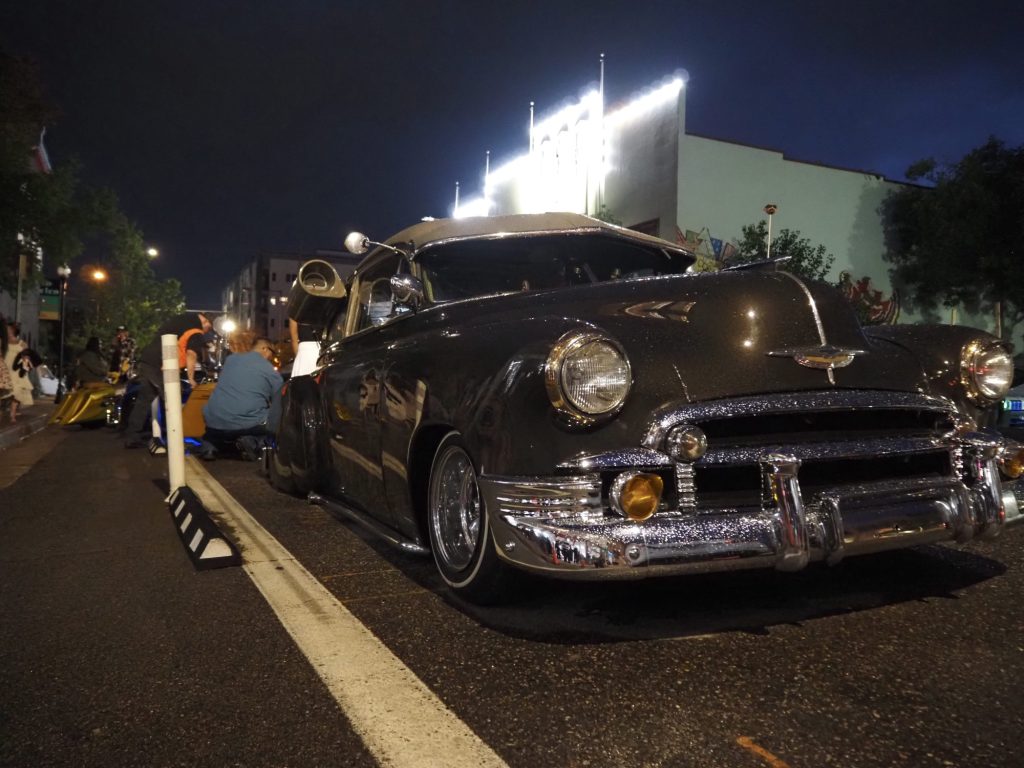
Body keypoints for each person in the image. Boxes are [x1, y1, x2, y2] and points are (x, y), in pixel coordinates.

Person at [124, 311, 213, 449]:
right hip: (161, 364)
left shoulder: (183, 320)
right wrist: (190, 378)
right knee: (173, 398)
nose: (206, 331)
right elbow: (191, 353)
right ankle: (176, 438)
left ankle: (132, 436)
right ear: (206, 322)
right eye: (208, 328)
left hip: (149, 360)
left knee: (145, 399)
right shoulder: (196, 331)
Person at [200, 336, 283, 459]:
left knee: (217, 431)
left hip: (213, 421)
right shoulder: (269, 370)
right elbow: (278, 401)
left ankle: (209, 446)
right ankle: (252, 442)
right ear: (265, 349)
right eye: (273, 352)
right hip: (247, 424)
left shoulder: (231, 360)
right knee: (274, 419)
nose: (272, 357)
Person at [4, 321, 33, 422]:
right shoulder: (4, 342)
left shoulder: (22, 343)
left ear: (13, 330)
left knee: (17, 392)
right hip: (5, 368)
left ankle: (12, 414)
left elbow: (26, 358)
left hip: (16, 370)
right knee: (4, 390)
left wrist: (25, 368)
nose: (7, 331)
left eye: (8, 329)